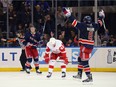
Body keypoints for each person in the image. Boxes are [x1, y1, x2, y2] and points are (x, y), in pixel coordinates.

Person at [63, 8, 105, 82]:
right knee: (80, 59)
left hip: (85, 46)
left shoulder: (83, 25)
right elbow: (100, 23)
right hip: (89, 46)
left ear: (85, 21)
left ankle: (89, 77)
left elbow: (74, 22)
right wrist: (101, 17)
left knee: (84, 62)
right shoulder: (94, 26)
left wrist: (69, 15)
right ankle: (79, 74)